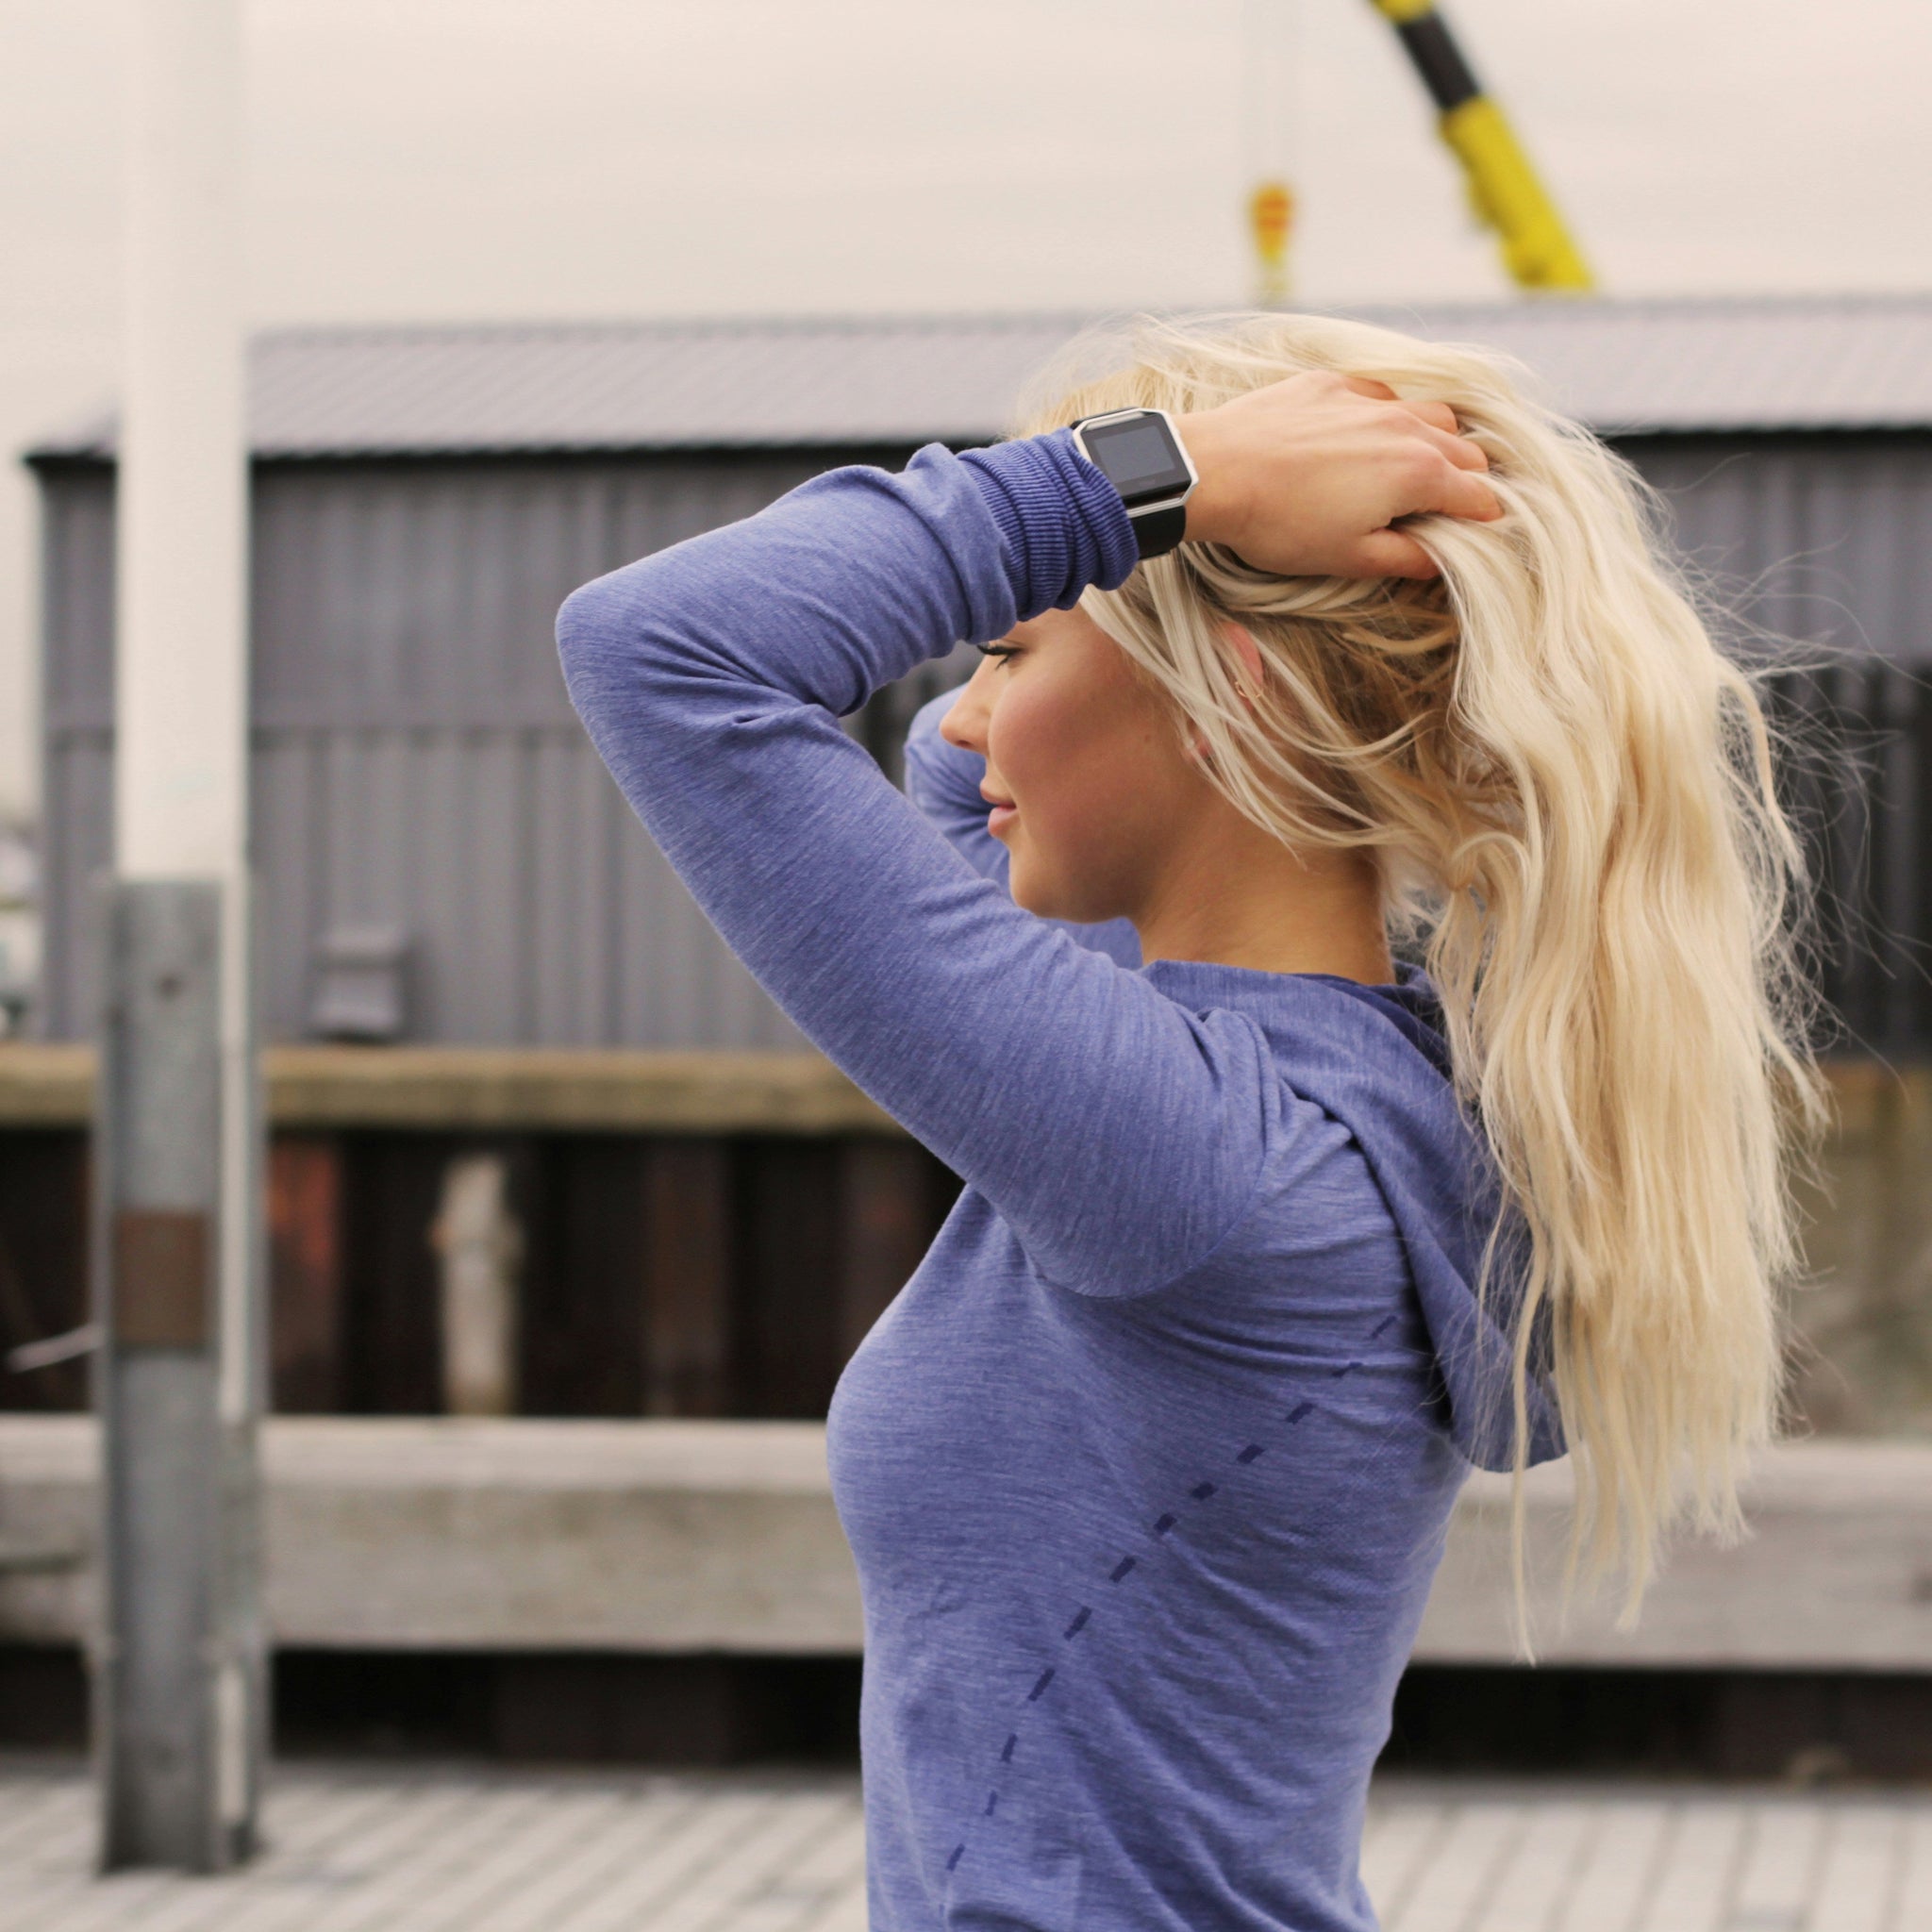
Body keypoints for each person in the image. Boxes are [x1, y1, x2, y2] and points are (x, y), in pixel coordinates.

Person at [556, 311, 1825, 1932]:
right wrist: (1161, 525)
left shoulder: (1201, 1161)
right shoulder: (1358, 1104)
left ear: (1227, 697)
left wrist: (1172, 480)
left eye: (1005, 653)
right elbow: (966, 793)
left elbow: (663, 651)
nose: (952, 718)